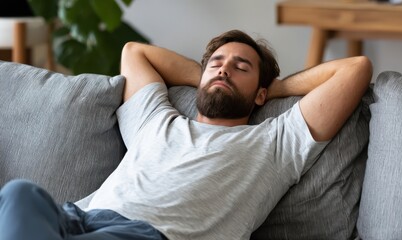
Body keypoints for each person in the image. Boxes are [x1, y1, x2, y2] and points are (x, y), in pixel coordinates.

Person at [0, 29, 372, 240]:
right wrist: (210, 78)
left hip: (148, 236)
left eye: (241, 67)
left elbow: (356, 68)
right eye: (217, 63)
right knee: (20, 192)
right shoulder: (156, 119)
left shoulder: (274, 143)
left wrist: (274, 89)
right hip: (75, 220)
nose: (225, 70)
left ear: (260, 92)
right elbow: (134, 52)